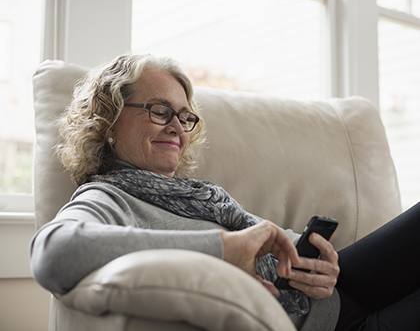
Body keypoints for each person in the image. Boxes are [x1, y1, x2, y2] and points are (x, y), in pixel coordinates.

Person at [29, 53, 420, 330]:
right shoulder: (107, 198)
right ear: (109, 121)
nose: (178, 129)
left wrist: (314, 259)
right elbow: (52, 253)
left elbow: (262, 243)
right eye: (160, 112)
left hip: (339, 285)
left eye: (184, 117)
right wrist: (222, 249)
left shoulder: (196, 195)